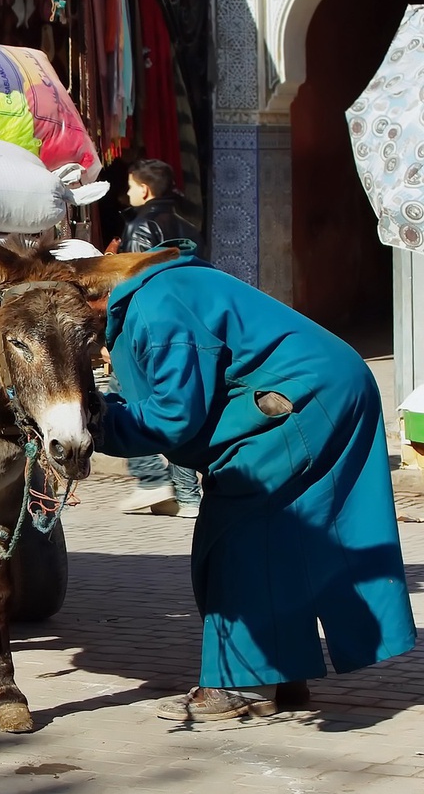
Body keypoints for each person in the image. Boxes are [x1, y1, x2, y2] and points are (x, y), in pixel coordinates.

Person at [66, 239, 416, 721]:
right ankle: (282, 674)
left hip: (301, 402)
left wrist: (90, 427)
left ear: (90, 296)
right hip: (322, 389)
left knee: (238, 541)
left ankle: (240, 684)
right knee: (285, 541)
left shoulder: (154, 304)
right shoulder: (164, 284)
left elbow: (172, 416)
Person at [109, 157, 204, 516]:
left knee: (124, 398)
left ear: (144, 190)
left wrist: (114, 336)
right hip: (186, 326)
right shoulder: (188, 225)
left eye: (131, 186)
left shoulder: (140, 227)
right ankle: (186, 493)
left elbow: (132, 284)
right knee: (179, 403)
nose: (128, 193)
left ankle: (152, 480)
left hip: (147, 330)